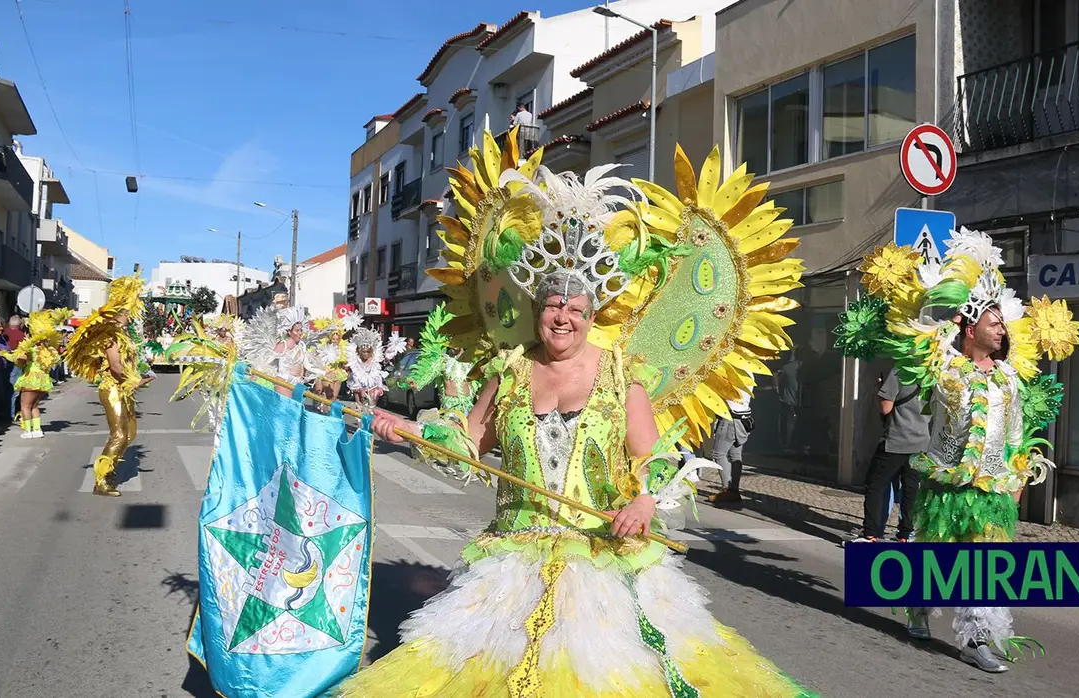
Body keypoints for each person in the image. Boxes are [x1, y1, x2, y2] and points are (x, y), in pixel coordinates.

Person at [332, 133, 813, 697]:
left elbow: (654, 454)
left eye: (576, 308)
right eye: (553, 305)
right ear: (537, 310)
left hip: (600, 556)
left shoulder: (618, 373)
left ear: (592, 314)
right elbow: (469, 445)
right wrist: (408, 428)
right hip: (513, 558)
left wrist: (642, 500)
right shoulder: (509, 371)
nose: (563, 317)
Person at [835, 228, 1079, 674]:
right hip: (946, 483)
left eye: (1003, 324)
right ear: (970, 329)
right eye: (994, 323)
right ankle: (918, 608)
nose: (1002, 329)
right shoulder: (945, 367)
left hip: (992, 489)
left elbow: (1014, 433)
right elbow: (915, 339)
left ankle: (977, 639)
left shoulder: (1009, 378)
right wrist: (947, 304)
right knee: (937, 557)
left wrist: (1017, 483)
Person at [64, 276, 152, 497]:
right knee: (119, 435)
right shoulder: (110, 337)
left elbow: (128, 364)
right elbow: (115, 366)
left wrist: (140, 373)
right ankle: (101, 480)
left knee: (130, 433)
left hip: (124, 389)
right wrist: (135, 380)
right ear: (117, 315)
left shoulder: (123, 336)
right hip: (112, 389)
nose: (128, 316)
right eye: (125, 313)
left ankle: (109, 469)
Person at [853, 371, 926, 542]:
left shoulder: (900, 371)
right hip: (922, 442)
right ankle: (905, 535)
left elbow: (886, 408)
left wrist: (879, 389)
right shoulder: (931, 372)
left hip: (897, 440)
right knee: (911, 488)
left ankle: (870, 533)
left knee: (875, 485)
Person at [2, 309, 70, 438]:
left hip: (31, 378)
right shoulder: (50, 350)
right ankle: (37, 429)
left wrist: (5, 354)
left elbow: (19, 359)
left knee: (25, 405)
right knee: (34, 405)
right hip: (42, 379)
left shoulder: (32, 349)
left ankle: (28, 431)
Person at [709, 378, 753, 508]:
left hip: (730, 418)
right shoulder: (748, 372)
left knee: (718, 454)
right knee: (735, 456)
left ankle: (727, 490)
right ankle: (734, 490)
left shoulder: (734, 372)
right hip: (743, 417)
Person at [775, 350, 801, 451]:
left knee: (788, 423)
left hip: (788, 400)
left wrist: (777, 390)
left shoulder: (787, 367)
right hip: (799, 401)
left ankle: (787, 444)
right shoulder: (803, 366)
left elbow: (776, 376)